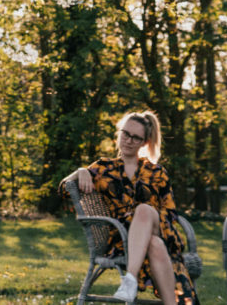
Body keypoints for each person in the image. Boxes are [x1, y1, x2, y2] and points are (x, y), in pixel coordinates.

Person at [60, 110, 199, 305]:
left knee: (144, 211)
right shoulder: (103, 168)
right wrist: (81, 171)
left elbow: (169, 212)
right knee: (154, 244)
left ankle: (130, 280)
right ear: (119, 133)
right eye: (126, 134)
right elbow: (65, 189)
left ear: (144, 142)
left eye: (136, 137)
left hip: (159, 229)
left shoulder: (157, 172)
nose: (129, 140)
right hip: (121, 238)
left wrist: (147, 217)